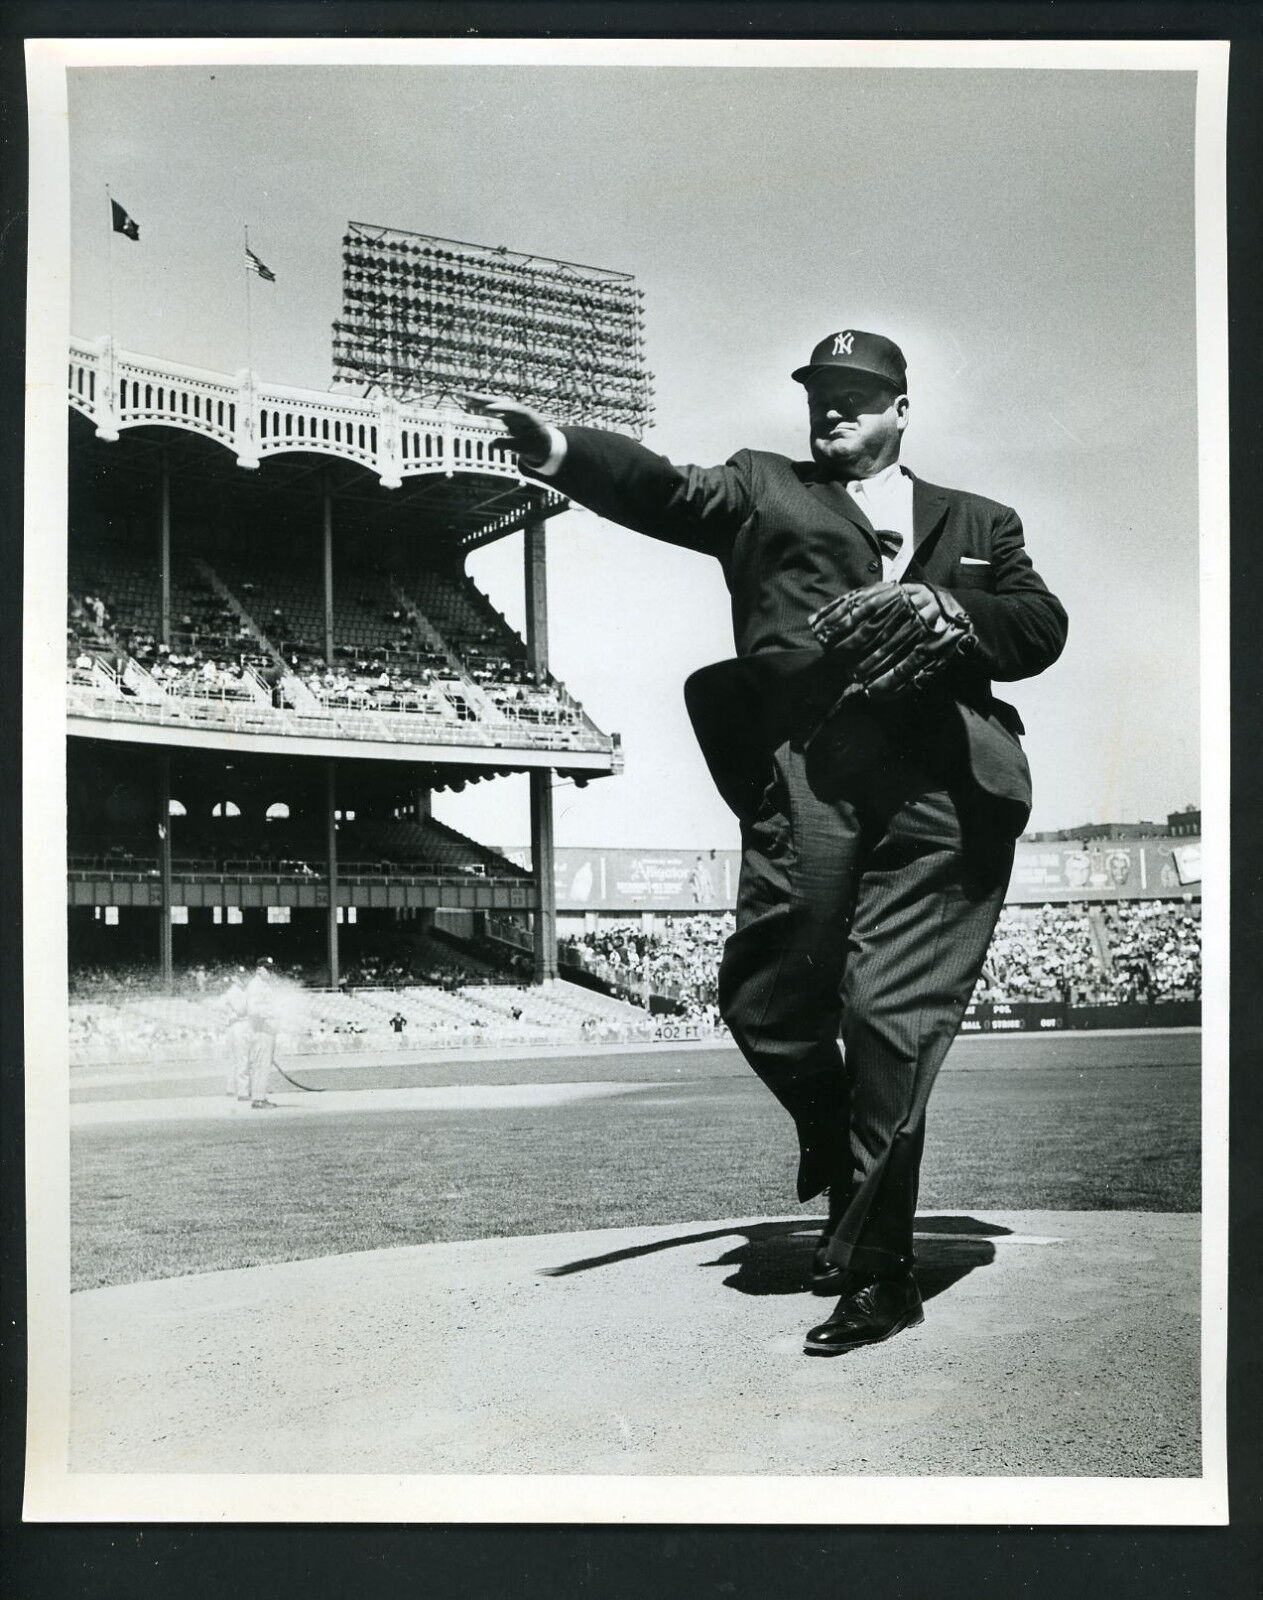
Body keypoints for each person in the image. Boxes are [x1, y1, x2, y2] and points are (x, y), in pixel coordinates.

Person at [471, 327, 1067, 1355]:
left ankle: (879, 1270)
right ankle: (833, 1135)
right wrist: (563, 449)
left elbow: (1040, 626)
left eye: (856, 395)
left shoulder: (978, 522)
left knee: (888, 1021)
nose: (832, 409)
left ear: (901, 410)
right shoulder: (762, 489)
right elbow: (664, 489)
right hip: (813, 779)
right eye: (820, 394)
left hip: (941, 795)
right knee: (763, 994)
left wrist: (944, 604)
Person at [244, 956, 280, 1109]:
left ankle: (260, 1097)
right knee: (261, 1065)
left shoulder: (263, 985)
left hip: (265, 1030)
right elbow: (253, 1010)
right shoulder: (256, 985)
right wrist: (272, 1013)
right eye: (267, 969)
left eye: (271, 969)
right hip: (260, 1030)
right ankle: (258, 1099)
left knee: (263, 1065)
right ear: (259, 969)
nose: (270, 972)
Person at [221, 966, 253, 1101]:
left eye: (244, 976)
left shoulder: (234, 991)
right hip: (239, 1025)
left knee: (234, 1059)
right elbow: (241, 1011)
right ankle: (243, 1092)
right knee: (242, 1058)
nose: (242, 979)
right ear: (234, 978)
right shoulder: (236, 991)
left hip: (233, 1026)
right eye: (239, 976)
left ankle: (231, 1088)